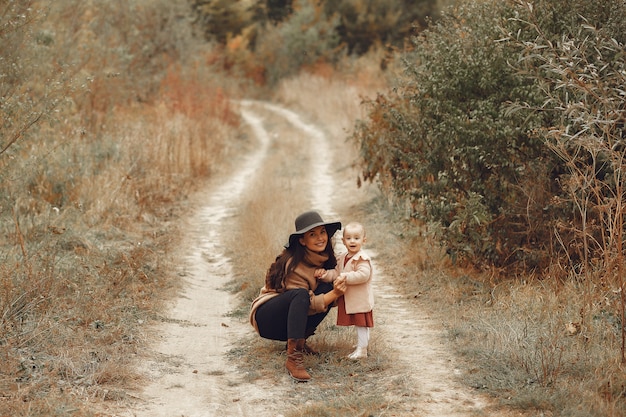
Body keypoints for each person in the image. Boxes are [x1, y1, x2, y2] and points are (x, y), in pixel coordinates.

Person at [249, 210, 347, 382]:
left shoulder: (325, 260)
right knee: (303, 294)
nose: (320, 238)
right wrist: (335, 294)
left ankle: (298, 340)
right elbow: (304, 302)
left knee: (327, 286)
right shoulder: (293, 264)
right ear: (302, 240)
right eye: (312, 234)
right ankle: (293, 358)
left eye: (322, 232)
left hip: (290, 317)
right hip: (267, 318)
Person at [317, 222, 374, 359]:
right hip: (351, 299)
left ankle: (362, 350)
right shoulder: (342, 257)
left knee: (361, 324)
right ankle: (362, 344)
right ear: (343, 241)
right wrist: (325, 275)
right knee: (359, 324)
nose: (352, 241)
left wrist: (346, 277)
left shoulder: (362, 259)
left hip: (360, 299)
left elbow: (363, 275)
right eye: (348, 238)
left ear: (363, 240)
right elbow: (337, 273)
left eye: (356, 238)